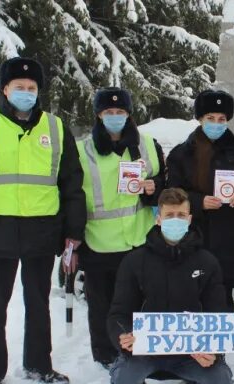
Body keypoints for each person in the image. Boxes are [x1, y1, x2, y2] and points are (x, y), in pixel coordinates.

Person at [0, 57, 86, 384]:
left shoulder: (56, 129)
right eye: (19, 87)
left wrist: (73, 231)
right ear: (5, 90)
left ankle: (38, 364)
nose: (25, 93)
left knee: (38, 302)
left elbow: (72, 185)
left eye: (31, 88)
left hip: (43, 231)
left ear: (38, 91)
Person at [107, 188, 233, 384]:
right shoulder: (135, 261)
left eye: (181, 215)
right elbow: (118, 313)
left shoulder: (207, 262)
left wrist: (214, 350)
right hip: (145, 350)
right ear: (158, 218)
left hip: (189, 352)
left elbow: (218, 313)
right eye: (169, 215)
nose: (175, 220)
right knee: (122, 383)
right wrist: (123, 335)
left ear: (190, 218)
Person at [73, 87, 166, 368]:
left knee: (139, 304)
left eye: (121, 112)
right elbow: (72, 197)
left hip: (139, 240)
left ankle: (139, 351)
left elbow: (165, 185)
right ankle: (106, 356)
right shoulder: (82, 151)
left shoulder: (148, 145)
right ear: (99, 115)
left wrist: (154, 187)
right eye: (109, 112)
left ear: (129, 114)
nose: (115, 117)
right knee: (102, 307)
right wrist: (72, 240)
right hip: (99, 242)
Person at [166, 89, 234, 312]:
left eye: (221, 119)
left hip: (229, 243)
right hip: (191, 240)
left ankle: (217, 349)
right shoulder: (181, 154)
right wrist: (198, 201)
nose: (216, 123)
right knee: (189, 304)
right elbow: (171, 194)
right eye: (210, 118)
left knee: (222, 304)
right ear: (200, 119)